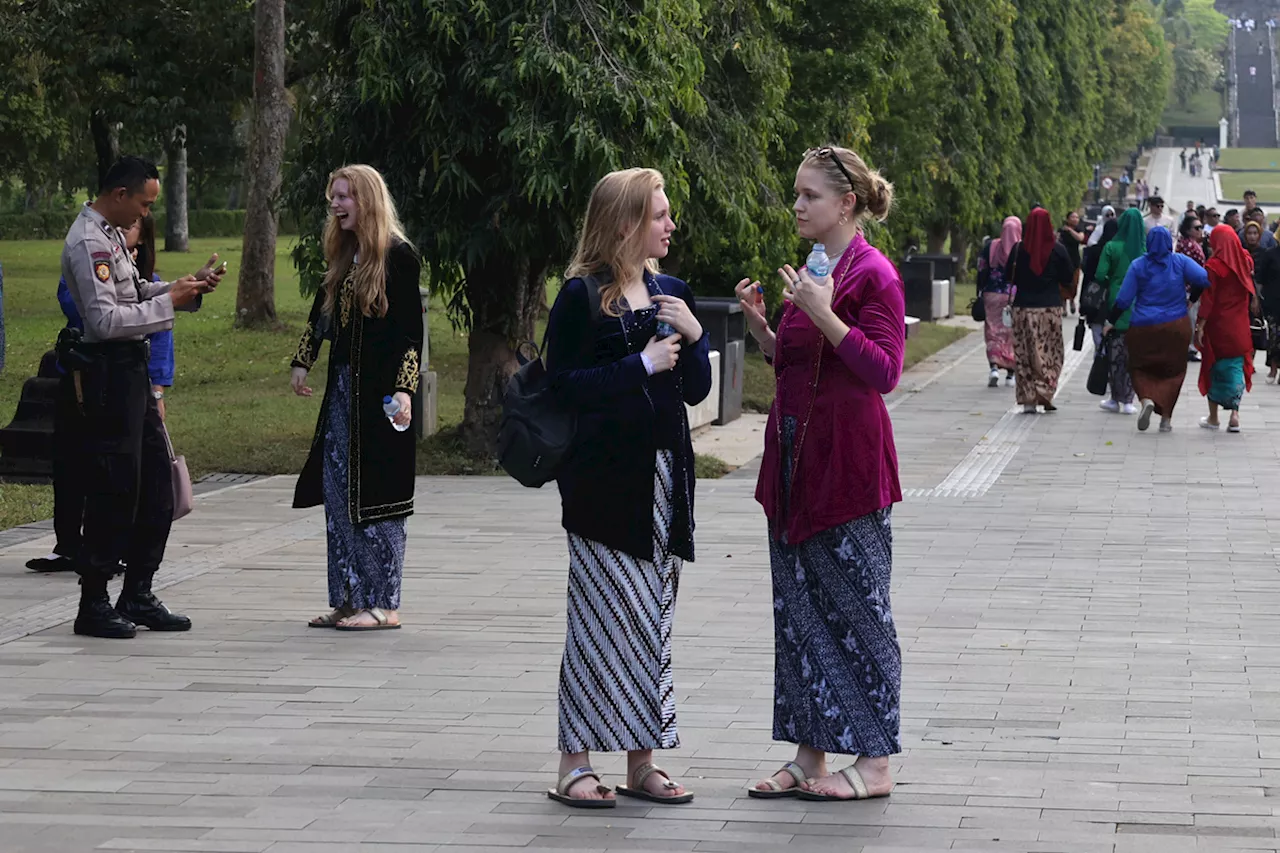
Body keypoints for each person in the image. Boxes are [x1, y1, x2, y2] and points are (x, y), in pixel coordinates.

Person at [735, 145, 903, 804]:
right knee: (800, 614)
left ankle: (876, 759)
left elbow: (884, 370)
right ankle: (810, 754)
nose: (797, 204)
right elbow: (799, 361)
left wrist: (826, 311)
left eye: (809, 195)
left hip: (848, 467)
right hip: (795, 462)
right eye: (797, 193)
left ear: (847, 204)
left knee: (859, 613)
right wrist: (762, 331)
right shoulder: (817, 267)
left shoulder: (874, 274)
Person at [542, 167, 712, 808]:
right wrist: (636, 364)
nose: (670, 226)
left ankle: (644, 760)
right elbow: (562, 386)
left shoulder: (672, 292)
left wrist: (693, 337)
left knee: (652, 622)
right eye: (659, 215)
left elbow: (693, 389)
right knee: (596, 623)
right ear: (625, 224)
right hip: (602, 485)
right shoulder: (582, 297)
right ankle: (574, 763)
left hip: (665, 481)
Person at [58, 156, 221, 638]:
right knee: (116, 486)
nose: (146, 215)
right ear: (121, 194)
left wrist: (180, 288)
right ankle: (94, 601)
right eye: (145, 204)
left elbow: (133, 294)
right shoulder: (89, 240)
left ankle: (139, 591)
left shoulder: (111, 233)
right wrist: (166, 304)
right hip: (109, 374)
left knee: (156, 484)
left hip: (133, 372)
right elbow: (105, 322)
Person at [291, 165, 423, 633]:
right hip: (344, 392)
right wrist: (302, 359)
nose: (336, 204)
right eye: (334, 196)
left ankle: (383, 604)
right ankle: (347, 599)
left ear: (366, 201)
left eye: (344, 196)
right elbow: (322, 313)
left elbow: (411, 335)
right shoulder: (346, 255)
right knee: (339, 495)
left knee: (379, 500)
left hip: (384, 399)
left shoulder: (398, 257)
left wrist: (405, 389)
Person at [28, 213, 182, 575]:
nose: (128, 227)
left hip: (127, 380)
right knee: (74, 464)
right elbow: (81, 305)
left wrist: (157, 390)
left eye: (133, 227)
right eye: (133, 214)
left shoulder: (142, 280)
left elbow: (157, 339)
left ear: (142, 241)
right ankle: (73, 549)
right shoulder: (90, 248)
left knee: (138, 477)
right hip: (86, 376)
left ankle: (129, 570)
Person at [1104, 227, 1210, 433]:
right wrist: (1192, 298)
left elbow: (1124, 299)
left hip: (1143, 327)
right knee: (1174, 371)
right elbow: (1204, 278)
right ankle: (1166, 420)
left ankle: (1145, 400)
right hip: (1176, 326)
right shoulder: (1180, 261)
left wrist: (1111, 321)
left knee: (1139, 367)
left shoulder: (1138, 266)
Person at [1006, 208, 1073, 413]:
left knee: (1024, 353)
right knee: (1051, 351)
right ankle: (1045, 390)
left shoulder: (1018, 249)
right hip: (1049, 309)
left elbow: (1010, 276)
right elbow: (1068, 277)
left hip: (1023, 309)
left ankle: (1028, 399)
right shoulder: (1058, 250)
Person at [1197, 226, 1256, 432]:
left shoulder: (1213, 267)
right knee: (1235, 368)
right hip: (1239, 327)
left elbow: (1208, 299)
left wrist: (1200, 326)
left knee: (1213, 368)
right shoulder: (1246, 261)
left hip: (1217, 327)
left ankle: (1213, 418)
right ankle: (1235, 414)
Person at [1095, 209, 1147, 415]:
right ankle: (1129, 400)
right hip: (1139, 307)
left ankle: (1115, 398)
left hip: (1116, 302)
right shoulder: (1144, 250)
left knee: (1115, 353)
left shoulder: (1111, 247)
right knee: (1133, 354)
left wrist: (1113, 282)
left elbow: (1100, 275)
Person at [977, 217, 1019, 387]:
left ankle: (994, 367)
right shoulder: (1021, 248)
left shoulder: (991, 247)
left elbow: (981, 269)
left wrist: (980, 291)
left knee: (993, 331)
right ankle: (1011, 373)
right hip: (1013, 296)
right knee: (1011, 332)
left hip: (991, 295)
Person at [1082, 218, 1119, 350]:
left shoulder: (1094, 250)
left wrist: (1083, 303)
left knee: (1098, 340)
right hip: (1116, 299)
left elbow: (1087, 277)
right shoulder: (1123, 250)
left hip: (1095, 299)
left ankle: (1100, 363)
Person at [1254, 236, 1280, 382]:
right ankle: (1273, 368)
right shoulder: (1270, 254)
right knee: (1274, 336)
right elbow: (1260, 279)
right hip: (1273, 303)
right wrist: (1257, 299)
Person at [1059, 211, 1086, 314]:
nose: (1075, 219)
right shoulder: (1062, 230)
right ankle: (1064, 306)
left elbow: (1080, 238)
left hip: (1074, 260)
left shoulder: (1079, 229)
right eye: (1072, 217)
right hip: (1063, 260)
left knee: (1074, 283)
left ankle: (1072, 301)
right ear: (1067, 219)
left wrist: (1070, 230)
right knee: (1062, 284)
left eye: (1077, 217)